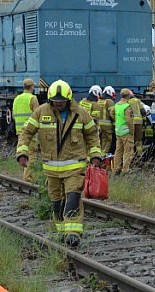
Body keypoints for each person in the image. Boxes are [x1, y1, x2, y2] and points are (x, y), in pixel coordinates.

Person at [17, 80, 102, 247]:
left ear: (68, 99)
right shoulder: (41, 112)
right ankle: (60, 231)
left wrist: (95, 155)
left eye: (62, 101)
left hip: (75, 167)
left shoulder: (81, 113)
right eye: (56, 101)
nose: (59, 103)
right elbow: (26, 132)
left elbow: (92, 135)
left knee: (73, 197)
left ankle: (73, 233)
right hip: (51, 169)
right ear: (50, 100)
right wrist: (22, 152)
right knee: (56, 201)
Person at [12, 78, 39, 182]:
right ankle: (28, 179)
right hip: (30, 131)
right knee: (31, 154)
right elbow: (37, 115)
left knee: (23, 153)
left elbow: (14, 115)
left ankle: (24, 175)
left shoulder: (17, 99)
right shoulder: (32, 98)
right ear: (32, 87)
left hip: (20, 131)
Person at [80, 85, 111, 155]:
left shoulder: (82, 101)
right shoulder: (96, 105)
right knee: (93, 146)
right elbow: (95, 119)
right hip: (90, 129)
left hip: (80, 127)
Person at [110, 88, 136, 174]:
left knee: (118, 150)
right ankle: (125, 170)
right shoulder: (127, 106)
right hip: (126, 132)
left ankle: (116, 168)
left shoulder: (116, 105)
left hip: (118, 131)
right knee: (127, 151)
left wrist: (117, 120)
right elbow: (129, 120)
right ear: (128, 96)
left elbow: (112, 113)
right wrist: (132, 131)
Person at [100, 86, 116, 155]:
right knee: (107, 142)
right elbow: (113, 114)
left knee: (101, 142)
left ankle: (99, 156)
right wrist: (116, 124)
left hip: (99, 126)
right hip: (107, 127)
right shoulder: (109, 101)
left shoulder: (99, 101)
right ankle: (103, 158)